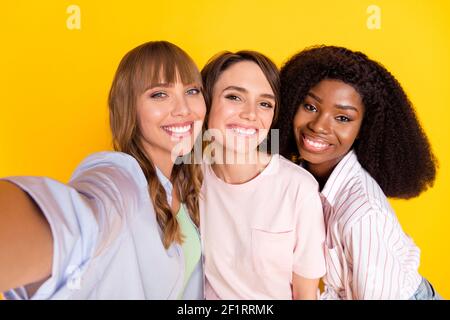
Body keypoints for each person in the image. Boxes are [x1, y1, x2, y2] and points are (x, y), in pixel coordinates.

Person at [0, 41, 206, 299]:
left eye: (192, 91)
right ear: (129, 108)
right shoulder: (120, 181)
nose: (184, 109)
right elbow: (79, 223)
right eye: (159, 94)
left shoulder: (188, 182)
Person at [278, 45, 440, 300]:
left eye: (342, 118)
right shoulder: (301, 178)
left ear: (364, 128)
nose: (319, 126)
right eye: (310, 107)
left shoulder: (363, 214)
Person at [199, 51, 326, 300]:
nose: (250, 114)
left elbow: (306, 294)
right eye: (234, 97)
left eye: (265, 103)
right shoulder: (190, 178)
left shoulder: (298, 189)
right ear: (206, 102)